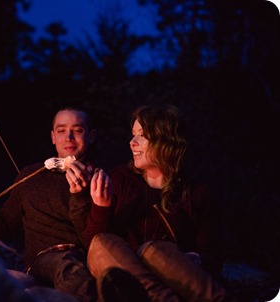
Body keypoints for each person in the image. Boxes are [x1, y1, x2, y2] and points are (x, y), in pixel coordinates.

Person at [84, 104, 235, 301]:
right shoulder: (119, 179)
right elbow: (95, 250)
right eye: (133, 134)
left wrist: (196, 259)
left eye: (142, 135)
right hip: (130, 277)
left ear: (167, 141)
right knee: (102, 242)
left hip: (177, 278)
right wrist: (101, 207)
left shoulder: (197, 194)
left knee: (153, 251)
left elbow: (212, 259)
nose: (132, 142)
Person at [0, 107, 99, 301]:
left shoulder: (100, 179)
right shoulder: (31, 176)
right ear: (52, 137)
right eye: (61, 130)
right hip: (45, 258)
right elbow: (6, 220)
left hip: (83, 256)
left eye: (78, 130)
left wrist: (80, 196)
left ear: (91, 136)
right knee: (69, 268)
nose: (69, 137)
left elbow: (95, 234)